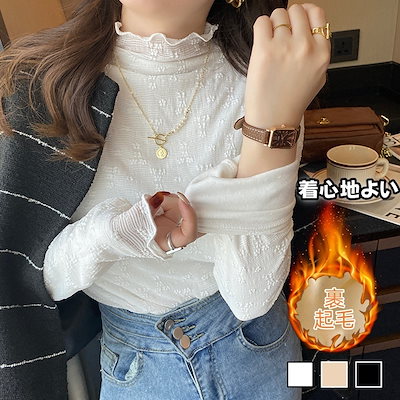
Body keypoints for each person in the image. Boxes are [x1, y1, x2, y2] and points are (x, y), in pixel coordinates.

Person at [0, 0, 330, 398]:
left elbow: (251, 295)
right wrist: (112, 235)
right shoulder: (42, 84)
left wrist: (271, 125)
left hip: (260, 353)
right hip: (134, 366)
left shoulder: (265, 75)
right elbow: (27, 274)